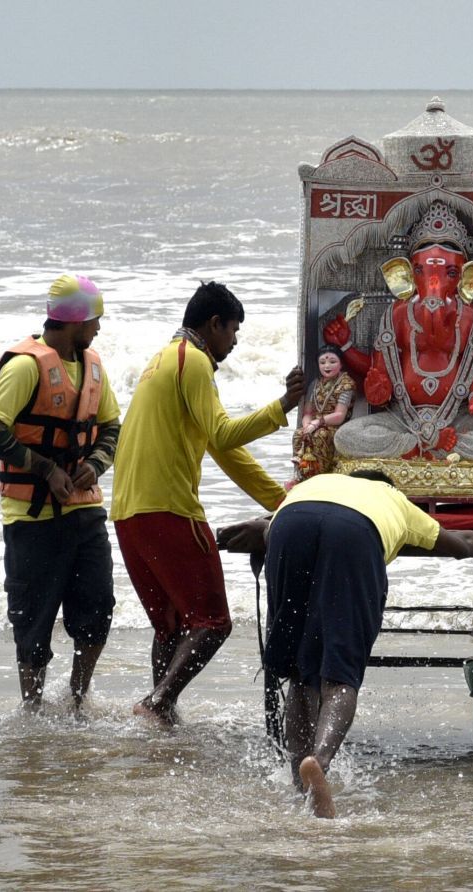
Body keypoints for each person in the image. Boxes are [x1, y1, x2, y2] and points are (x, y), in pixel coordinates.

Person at [217, 471, 473, 819]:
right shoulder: (394, 499)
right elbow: (462, 547)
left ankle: (298, 785)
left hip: (288, 522)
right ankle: (318, 762)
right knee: (339, 676)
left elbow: (276, 525)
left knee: (301, 674)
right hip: (354, 532)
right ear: (389, 485)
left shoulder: (313, 484)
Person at [110, 280, 304, 726]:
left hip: (127, 513)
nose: (234, 342)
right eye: (233, 330)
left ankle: (163, 714)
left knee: (172, 625)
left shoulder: (163, 359)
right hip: (169, 508)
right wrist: (284, 405)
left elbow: (224, 452)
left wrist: (283, 500)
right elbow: (223, 434)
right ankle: (157, 702)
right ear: (213, 323)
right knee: (213, 623)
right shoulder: (193, 361)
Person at [0, 274, 119, 711]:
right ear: (75, 321)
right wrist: (45, 469)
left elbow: (111, 427)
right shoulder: (24, 366)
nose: (98, 328)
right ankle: (33, 708)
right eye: (94, 320)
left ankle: (78, 696)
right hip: (31, 518)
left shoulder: (93, 365)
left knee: (98, 610)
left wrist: (94, 465)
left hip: (84, 516)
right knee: (33, 623)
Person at [323, 200, 473, 461]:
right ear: (406, 275)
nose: (434, 284)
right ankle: (430, 446)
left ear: (467, 278)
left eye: (450, 272)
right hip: (403, 418)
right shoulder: (397, 314)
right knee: (346, 437)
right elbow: (380, 371)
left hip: (456, 420)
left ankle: (419, 448)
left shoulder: (472, 317)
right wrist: (376, 386)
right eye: (421, 271)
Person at [290, 345, 356, 480]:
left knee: (321, 435)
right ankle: (302, 473)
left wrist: (317, 423)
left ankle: (321, 474)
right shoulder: (315, 384)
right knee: (299, 434)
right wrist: (307, 426)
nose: (327, 366)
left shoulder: (346, 384)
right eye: (322, 362)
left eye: (332, 362)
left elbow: (339, 415)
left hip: (336, 426)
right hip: (314, 424)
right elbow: (308, 411)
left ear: (341, 363)